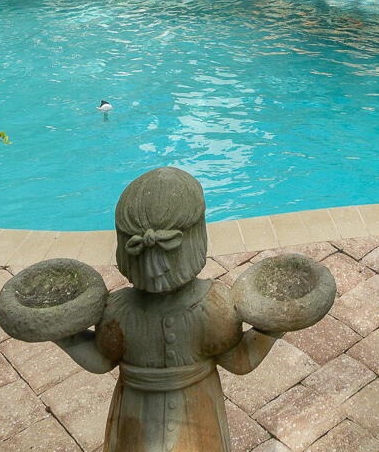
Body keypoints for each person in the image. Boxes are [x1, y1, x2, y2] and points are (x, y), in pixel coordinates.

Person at [52, 168, 276, 451]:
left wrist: (64, 336)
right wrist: (272, 329)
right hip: (198, 410)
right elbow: (240, 361)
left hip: (135, 417)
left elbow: (100, 360)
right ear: (196, 240)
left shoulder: (118, 311)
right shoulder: (213, 305)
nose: (154, 269)